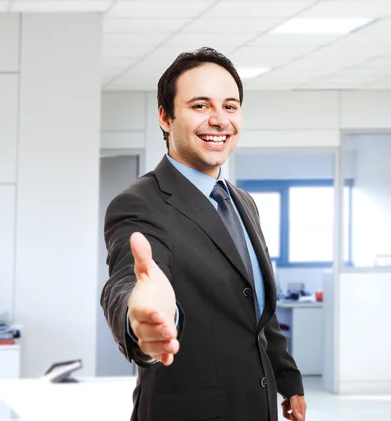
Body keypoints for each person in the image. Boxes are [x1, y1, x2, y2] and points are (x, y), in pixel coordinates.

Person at [100, 47, 307, 421]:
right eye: (200, 106)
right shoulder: (140, 203)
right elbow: (129, 281)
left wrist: (287, 378)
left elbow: (258, 308)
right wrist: (139, 319)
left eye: (230, 106)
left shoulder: (241, 202)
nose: (219, 120)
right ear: (166, 117)